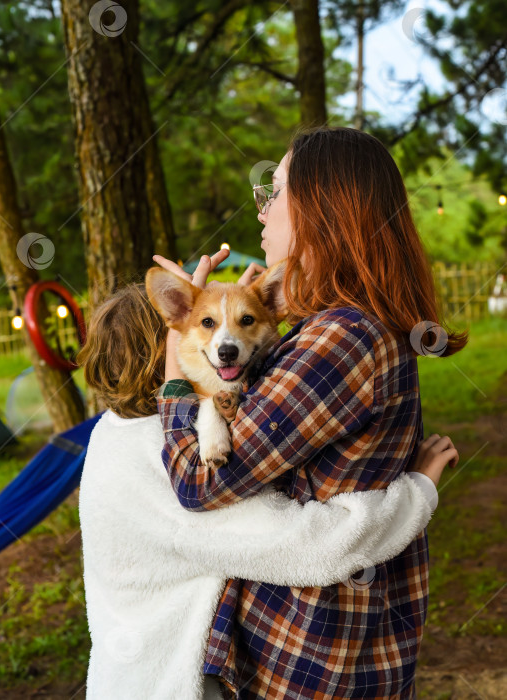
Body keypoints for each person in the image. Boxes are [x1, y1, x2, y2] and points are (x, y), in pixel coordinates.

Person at [155, 126, 467, 699]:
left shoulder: (341, 342)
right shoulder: (339, 329)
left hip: (307, 660)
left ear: (322, 210)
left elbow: (199, 480)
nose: (262, 215)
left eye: (272, 193)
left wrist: (181, 362)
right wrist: (213, 317)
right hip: (329, 648)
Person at [77, 282, 456, 700]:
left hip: (121, 678)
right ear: (176, 347)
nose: (226, 340)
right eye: (203, 324)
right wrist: (416, 492)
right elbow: (312, 547)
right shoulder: (166, 458)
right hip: (170, 684)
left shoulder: (109, 436)